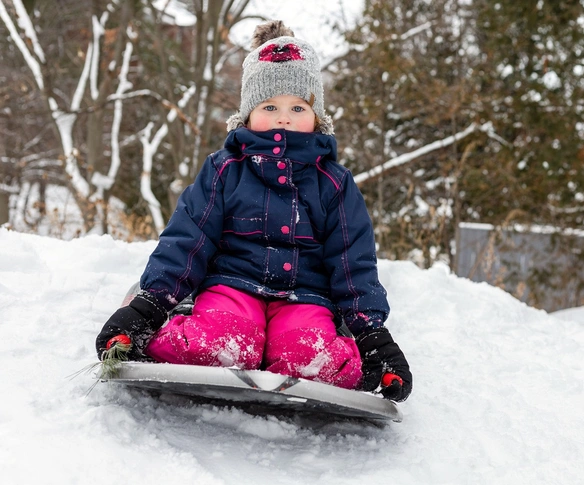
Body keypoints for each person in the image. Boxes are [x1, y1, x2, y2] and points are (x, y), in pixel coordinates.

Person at [95, 21, 412, 402]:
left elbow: (352, 262)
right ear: (247, 115)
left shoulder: (334, 183)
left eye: (298, 106)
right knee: (220, 347)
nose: (284, 117)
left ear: (317, 117)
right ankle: (171, 331)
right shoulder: (225, 169)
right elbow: (189, 239)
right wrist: (149, 307)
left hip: (305, 298)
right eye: (269, 106)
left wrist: (371, 334)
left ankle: (346, 358)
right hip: (232, 287)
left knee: (310, 359)